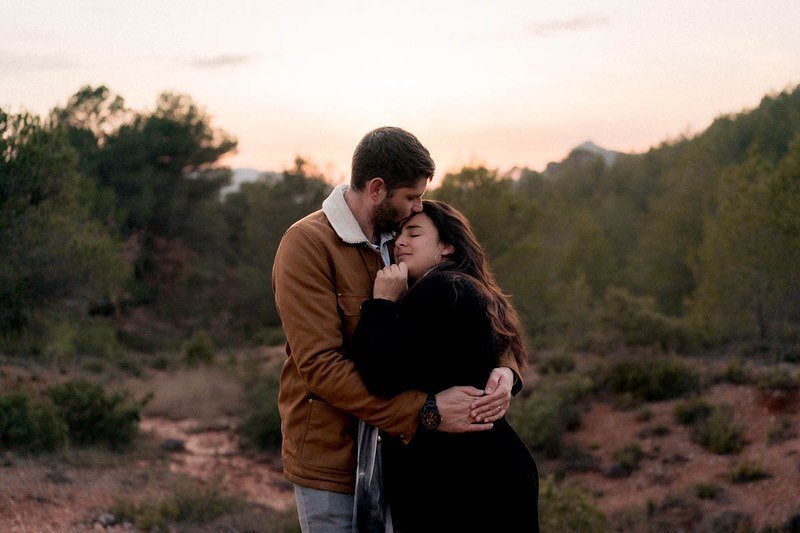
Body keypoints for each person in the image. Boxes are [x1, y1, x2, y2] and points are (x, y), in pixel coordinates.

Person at [271, 127, 523, 532]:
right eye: (410, 197)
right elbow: (320, 367)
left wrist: (505, 369)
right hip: (336, 459)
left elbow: (470, 305)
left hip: (410, 461)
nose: (416, 207)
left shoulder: (407, 237)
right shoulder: (308, 245)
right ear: (376, 189)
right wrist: (425, 411)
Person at [349, 200, 540, 532]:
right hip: (486, 472)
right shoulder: (467, 287)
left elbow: (378, 375)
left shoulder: (440, 290)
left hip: (461, 484)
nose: (400, 243)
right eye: (398, 235)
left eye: (414, 233)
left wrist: (381, 303)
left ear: (447, 245)